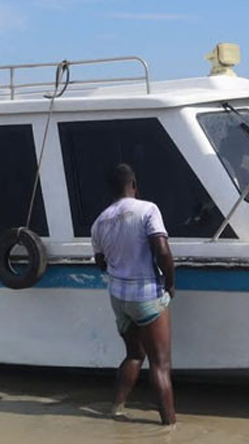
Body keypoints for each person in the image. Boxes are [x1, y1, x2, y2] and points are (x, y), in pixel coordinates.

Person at [91, 163, 176, 425]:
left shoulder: (100, 222)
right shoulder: (148, 209)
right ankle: (169, 426)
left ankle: (116, 408)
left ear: (110, 190)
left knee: (134, 355)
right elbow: (162, 251)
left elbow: (101, 262)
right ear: (134, 185)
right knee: (160, 364)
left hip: (119, 298)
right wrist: (170, 283)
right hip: (146, 294)